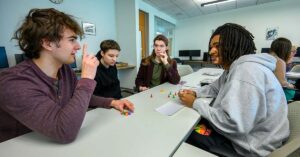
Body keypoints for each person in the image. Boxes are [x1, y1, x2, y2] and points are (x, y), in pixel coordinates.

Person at [0, 8, 134, 143]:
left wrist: (111, 102)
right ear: (48, 43)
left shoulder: (64, 70)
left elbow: (77, 95)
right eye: (72, 40)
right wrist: (87, 78)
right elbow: (64, 131)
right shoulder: (14, 83)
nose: (77, 46)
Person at [178, 23, 289, 157]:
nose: (211, 51)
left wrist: (195, 103)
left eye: (218, 46)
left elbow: (234, 125)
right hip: (252, 136)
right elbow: (214, 87)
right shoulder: (235, 67)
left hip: (250, 147)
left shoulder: (247, 71)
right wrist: (196, 92)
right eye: (211, 47)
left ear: (235, 45)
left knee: (182, 132)